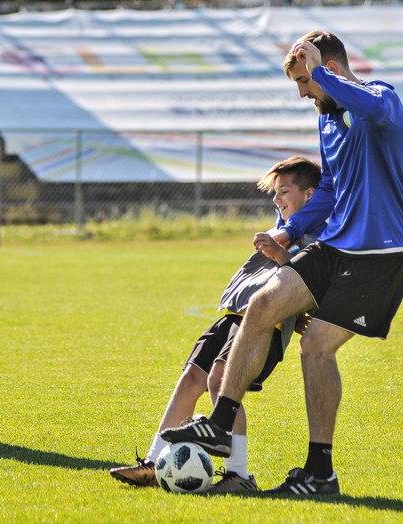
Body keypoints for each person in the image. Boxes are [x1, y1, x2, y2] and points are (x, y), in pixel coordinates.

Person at [161, 30, 403, 496]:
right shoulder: (328, 122)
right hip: (336, 245)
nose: (302, 93)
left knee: (316, 347)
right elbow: (330, 187)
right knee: (263, 302)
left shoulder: (380, 100)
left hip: (381, 253)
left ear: (326, 70)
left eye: (304, 83)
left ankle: (319, 474)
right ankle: (219, 422)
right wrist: (287, 232)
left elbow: (373, 109)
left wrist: (319, 73)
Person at [110, 156, 324, 493]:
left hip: (264, 325)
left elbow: (312, 279)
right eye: (274, 192)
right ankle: (154, 463)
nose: (276, 198)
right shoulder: (284, 225)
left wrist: (281, 256)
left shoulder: (319, 232)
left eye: (284, 190)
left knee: (222, 379)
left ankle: (240, 475)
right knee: (192, 376)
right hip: (234, 315)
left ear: (311, 195)